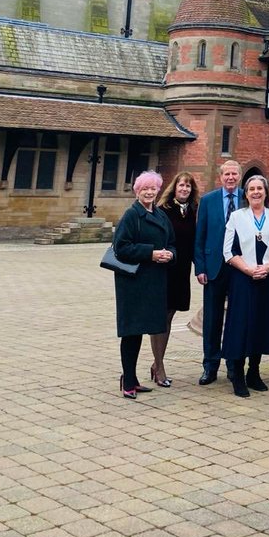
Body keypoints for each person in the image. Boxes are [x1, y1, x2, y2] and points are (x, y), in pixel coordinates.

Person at [221, 175, 269, 397]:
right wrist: (249, 270)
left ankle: (254, 372)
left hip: (268, 279)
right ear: (246, 194)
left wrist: (268, 268)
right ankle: (237, 375)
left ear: (266, 192)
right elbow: (228, 250)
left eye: (260, 188)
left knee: (260, 324)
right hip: (243, 278)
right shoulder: (237, 217)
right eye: (252, 189)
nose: (256, 192)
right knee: (241, 325)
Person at [112, 170, 175, 399]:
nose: (149, 192)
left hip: (153, 282)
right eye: (144, 189)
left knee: (141, 330)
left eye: (153, 189)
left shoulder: (160, 215)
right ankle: (128, 379)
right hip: (133, 282)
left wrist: (170, 254)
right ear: (137, 191)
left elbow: (172, 243)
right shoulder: (131, 215)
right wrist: (151, 253)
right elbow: (121, 248)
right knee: (131, 332)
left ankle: (134, 379)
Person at [193, 159, 242, 385]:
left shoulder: (248, 197)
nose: (230, 178)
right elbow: (199, 237)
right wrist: (200, 267)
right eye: (227, 174)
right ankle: (210, 365)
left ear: (239, 176)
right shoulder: (208, 201)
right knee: (212, 319)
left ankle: (233, 365)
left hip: (239, 267)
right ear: (220, 177)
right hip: (213, 268)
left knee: (235, 318)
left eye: (234, 174)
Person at [150, 170, 200, 387]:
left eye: (188, 186)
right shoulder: (162, 210)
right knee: (160, 318)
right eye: (181, 185)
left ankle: (157, 363)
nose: (184, 189)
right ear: (174, 188)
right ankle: (159, 366)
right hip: (164, 270)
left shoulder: (192, 211)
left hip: (181, 270)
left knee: (168, 317)